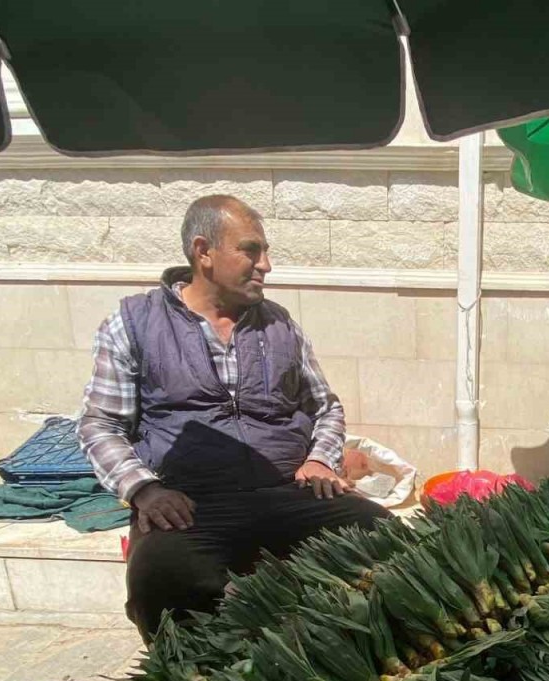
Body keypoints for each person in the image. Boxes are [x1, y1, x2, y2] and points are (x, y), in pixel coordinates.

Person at [78, 195, 391, 642]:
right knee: (164, 584)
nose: (265, 265)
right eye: (251, 250)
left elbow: (324, 406)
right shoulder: (134, 323)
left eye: (265, 252)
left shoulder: (279, 323)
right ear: (203, 252)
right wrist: (144, 490)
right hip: (192, 504)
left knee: (388, 542)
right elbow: (100, 424)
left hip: (288, 490)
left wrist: (321, 459)